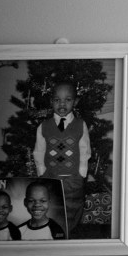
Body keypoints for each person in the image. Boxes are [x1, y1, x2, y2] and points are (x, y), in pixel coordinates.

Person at [33, 81, 90, 234]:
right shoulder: (44, 126)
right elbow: (39, 151)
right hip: (51, 177)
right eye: (57, 100)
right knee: (54, 205)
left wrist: (82, 173)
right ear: (51, 101)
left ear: (75, 102)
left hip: (73, 177)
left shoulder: (80, 125)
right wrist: (42, 172)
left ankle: (70, 234)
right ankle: (55, 234)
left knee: (73, 205)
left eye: (68, 99)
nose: (62, 104)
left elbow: (84, 149)